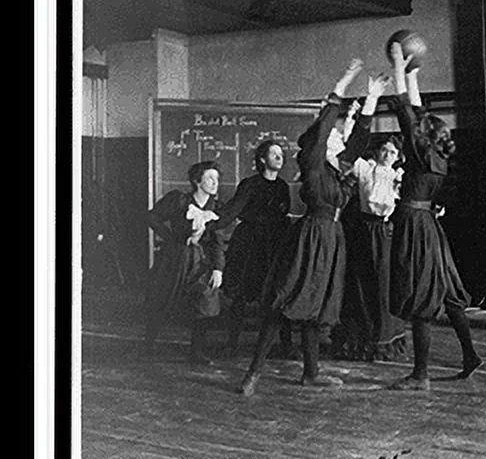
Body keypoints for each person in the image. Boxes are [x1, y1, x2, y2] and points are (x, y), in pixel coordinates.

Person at [237, 60, 388, 396]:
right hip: (310, 237)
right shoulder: (314, 161)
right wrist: (345, 80)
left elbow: (360, 138)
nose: (338, 139)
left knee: (315, 307)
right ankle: (253, 374)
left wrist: (372, 98)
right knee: (284, 301)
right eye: (334, 137)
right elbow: (323, 129)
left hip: (332, 240)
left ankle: (311, 373)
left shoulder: (339, 168)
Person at [385, 42, 483, 390]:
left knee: (420, 297)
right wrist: (414, 75)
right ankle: (470, 355)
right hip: (431, 228)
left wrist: (399, 66)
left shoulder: (418, 153)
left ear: (423, 137)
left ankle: (420, 375)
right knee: (449, 294)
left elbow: (405, 111)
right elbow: (415, 112)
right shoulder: (438, 158)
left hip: (414, 227)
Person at [208, 140, 293, 359]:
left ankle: (286, 345)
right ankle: (232, 344)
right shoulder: (250, 184)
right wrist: (210, 221)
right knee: (241, 296)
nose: (279, 158)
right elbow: (233, 210)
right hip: (250, 245)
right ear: (262, 159)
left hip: (274, 246)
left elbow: (283, 216)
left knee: (278, 295)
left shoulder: (283, 186)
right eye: (274, 154)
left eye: (281, 154)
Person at [332, 133, 409, 362]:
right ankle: (359, 339)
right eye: (384, 150)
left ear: (398, 156)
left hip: (387, 234)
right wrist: (350, 123)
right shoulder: (366, 169)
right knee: (361, 283)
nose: (387, 155)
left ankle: (384, 339)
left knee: (383, 284)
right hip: (364, 232)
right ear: (377, 151)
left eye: (392, 152)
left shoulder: (400, 175)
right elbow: (346, 152)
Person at [144, 160, 227, 364]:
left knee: (205, 300)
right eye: (210, 177)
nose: (215, 182)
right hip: (176, 258)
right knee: (162, 297)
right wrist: (172, 237)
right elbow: (152, 217)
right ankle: (147, 346)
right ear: (197, 181)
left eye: (217, 178)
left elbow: (218, 242)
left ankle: (196, 352)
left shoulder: (216, 208)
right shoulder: (179, 200)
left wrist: (218, 268)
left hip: (202, 261)